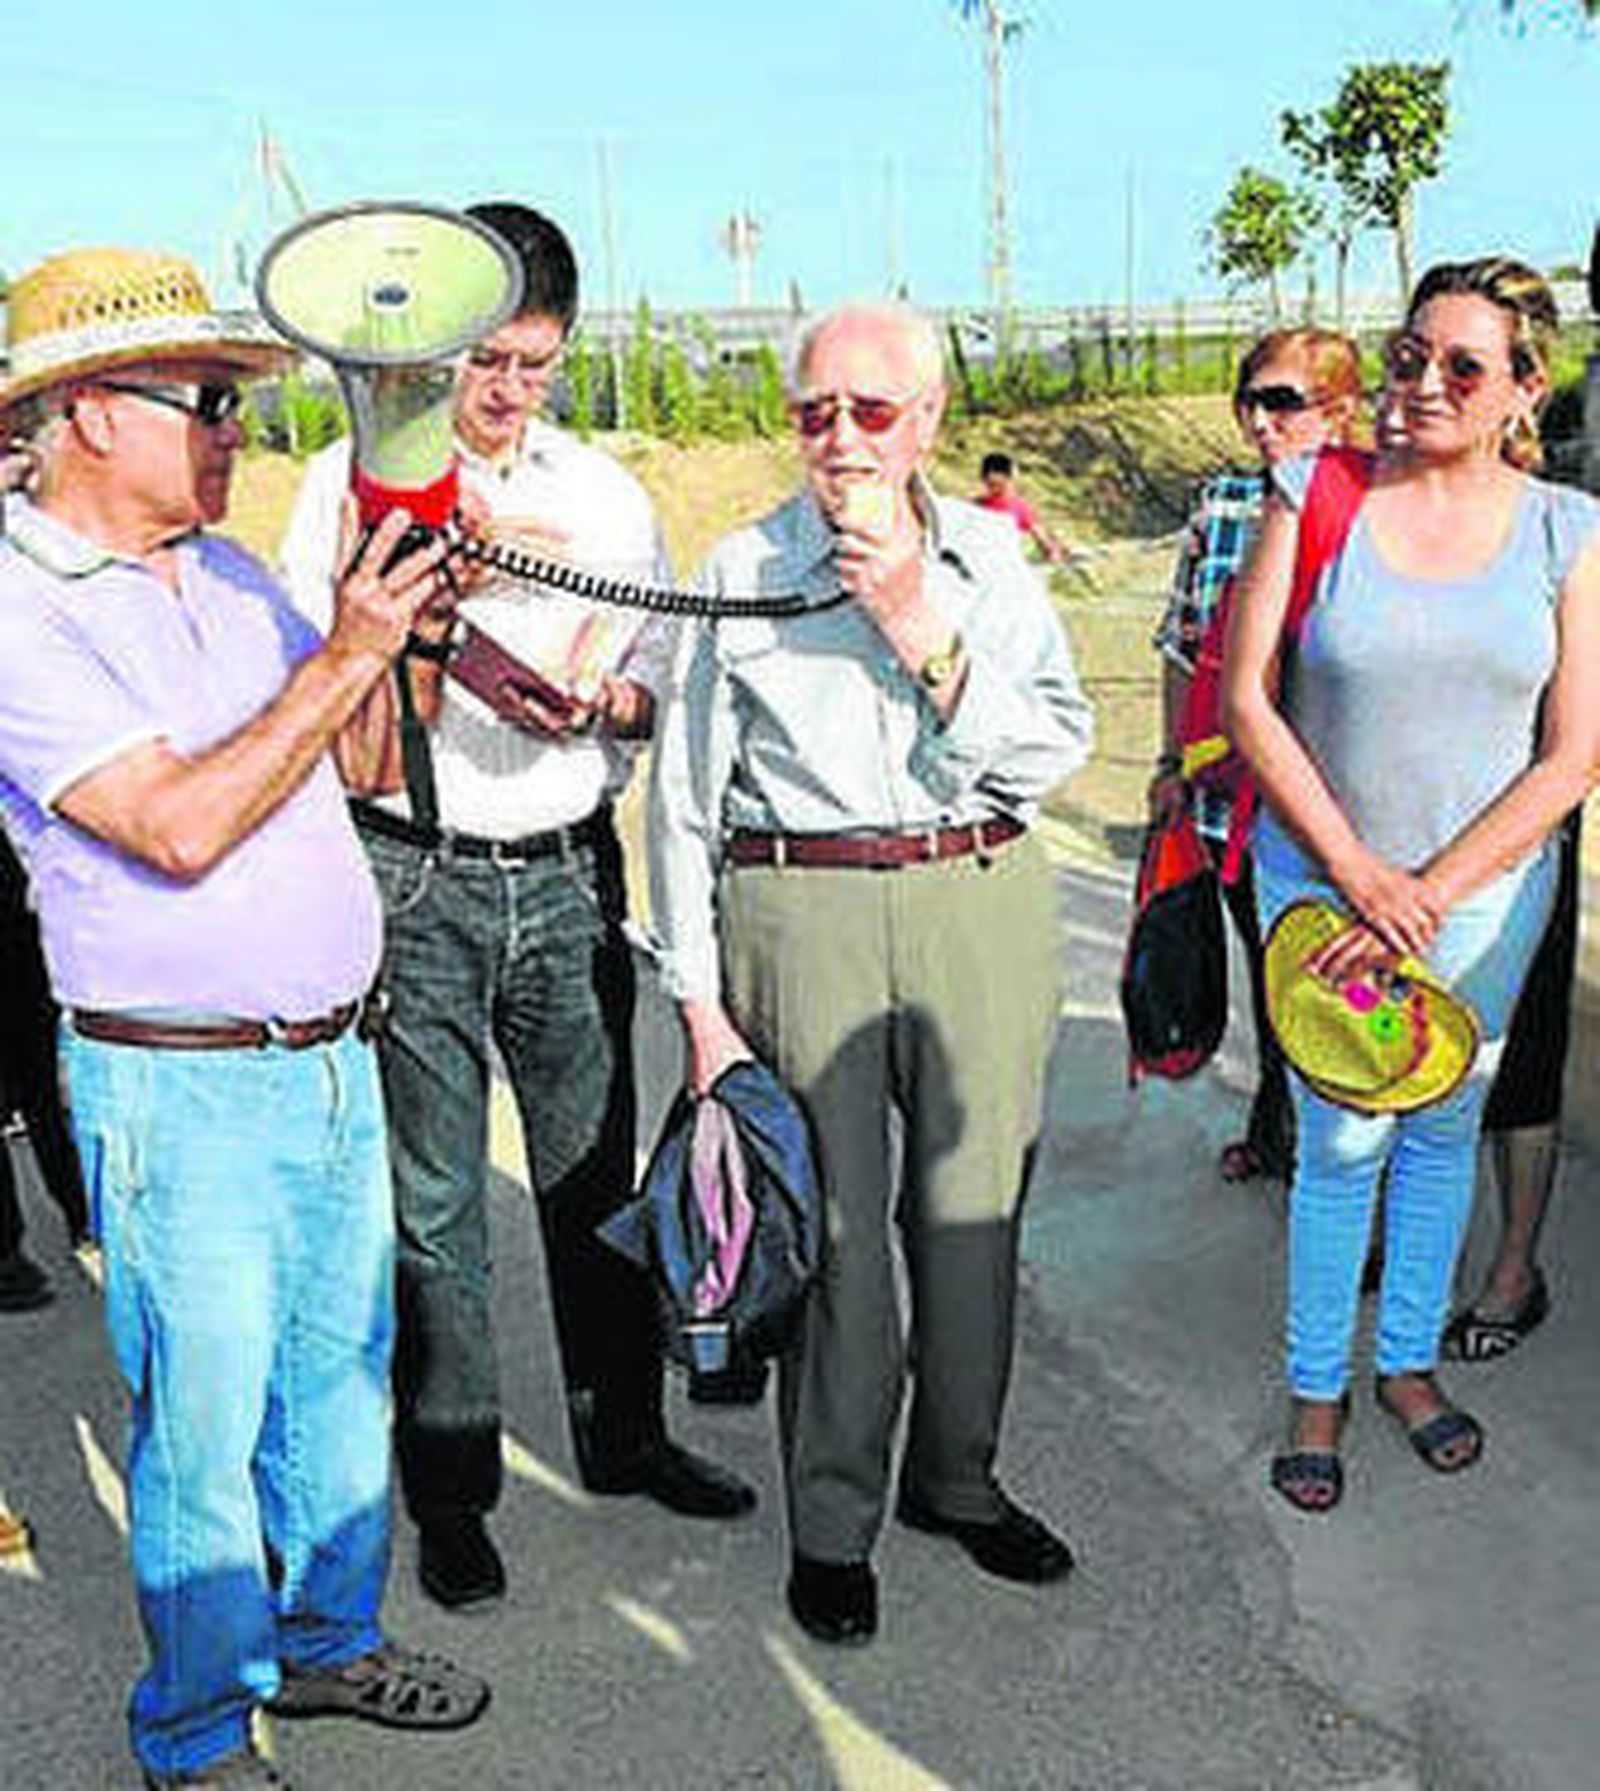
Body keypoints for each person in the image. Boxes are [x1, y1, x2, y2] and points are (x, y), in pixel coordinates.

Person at [0, 245, 488, 1789]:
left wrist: (398, 636)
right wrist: (347, 649)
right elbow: (179, 825)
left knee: (339, 1382)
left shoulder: (226, 574)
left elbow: (366, 767)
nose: (236, 431)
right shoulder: (16, 608)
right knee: (205, 1427)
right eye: (206, 401)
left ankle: (331, 1637)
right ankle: (200, 1728)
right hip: (179, 1086)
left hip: (326, 1059)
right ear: (90, 411)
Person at [280, 200, 754, 1615]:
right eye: (482, 361)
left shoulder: (605, 497)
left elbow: (663, 676)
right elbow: (318, 687)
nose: (504, 392)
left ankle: (626, 1435)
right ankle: (451, 1490)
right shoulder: (343, 482)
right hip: (409, 871)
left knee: (590, 1180)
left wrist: (602, 703)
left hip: (565, 869)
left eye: (533, 365)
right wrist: (432, 621)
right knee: (433, 1209)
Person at [649, 302, 1093, 1645]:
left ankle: (956, 1478)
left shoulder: (991, 559)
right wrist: (699, 1007)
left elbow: (1053, 748)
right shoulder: (742, 566)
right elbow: (681, 801)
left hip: (976, 890)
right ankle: (833, 1523)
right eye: (815, 410)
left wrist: (921, 627)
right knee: (834, 1237)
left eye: (873, 408)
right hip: (804, 904)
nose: (841, 435)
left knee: (971, 1217)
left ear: (930, 419)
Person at [1223, 256, 1600, 1514]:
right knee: (1338, 1141)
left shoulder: (1566, 532)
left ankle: (1404, 1365)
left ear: (1523, 389)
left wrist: (1432, 887)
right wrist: (1356, 873)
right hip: (1321, 885)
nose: (1424, 382)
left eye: (1462, 366)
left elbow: (1573, 756)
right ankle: (1314, 1387)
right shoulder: (1312, 490)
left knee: (1443, 1127)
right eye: (1409, 355)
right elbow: (1247, 704)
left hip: (1482, 898)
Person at [1149, 329, 1362, 1185]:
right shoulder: (1223, 506)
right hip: (1230, 801)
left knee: (1342, 996)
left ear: (1340, 409)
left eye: (1283, 401)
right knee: (1273, 981)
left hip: (1338, 809)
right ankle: (1278, 1129)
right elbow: (1180, 642)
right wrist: (1170, 765)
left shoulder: (1375, 502)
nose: (1261, 420)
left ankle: (1349, 1169)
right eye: (1250, 402)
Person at [0, 831, 95, 1309]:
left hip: (20, 955)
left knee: (46, 1103)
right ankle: (83, 1223)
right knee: (46, 1104)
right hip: (21, 955)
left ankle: (80, 1221)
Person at [973, 449, 1070, 563]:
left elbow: (1042, 540)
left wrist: (1053, 553)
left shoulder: (1020, 508)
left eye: (999, 484)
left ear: (1009, 479)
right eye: (990, 484)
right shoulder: (976, 505)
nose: (994, 488)